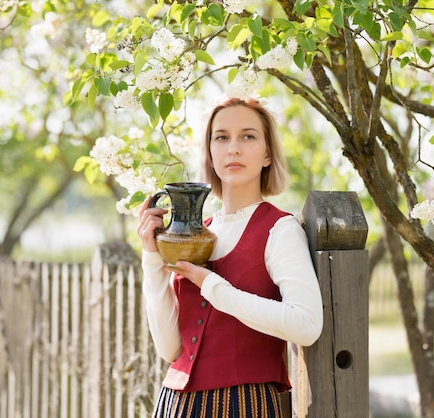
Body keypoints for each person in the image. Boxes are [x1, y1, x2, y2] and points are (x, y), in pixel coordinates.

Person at [136, 97, 323, 417]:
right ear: (210, 152)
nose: (233, 148)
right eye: (221, 137)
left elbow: (306, 325)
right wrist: (152, 259)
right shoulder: (196, 233)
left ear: (267, 153)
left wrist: (214, 286)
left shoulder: (279, 229)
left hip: (245, 406)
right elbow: (170, 350)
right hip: (176, 404)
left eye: (247, 136)